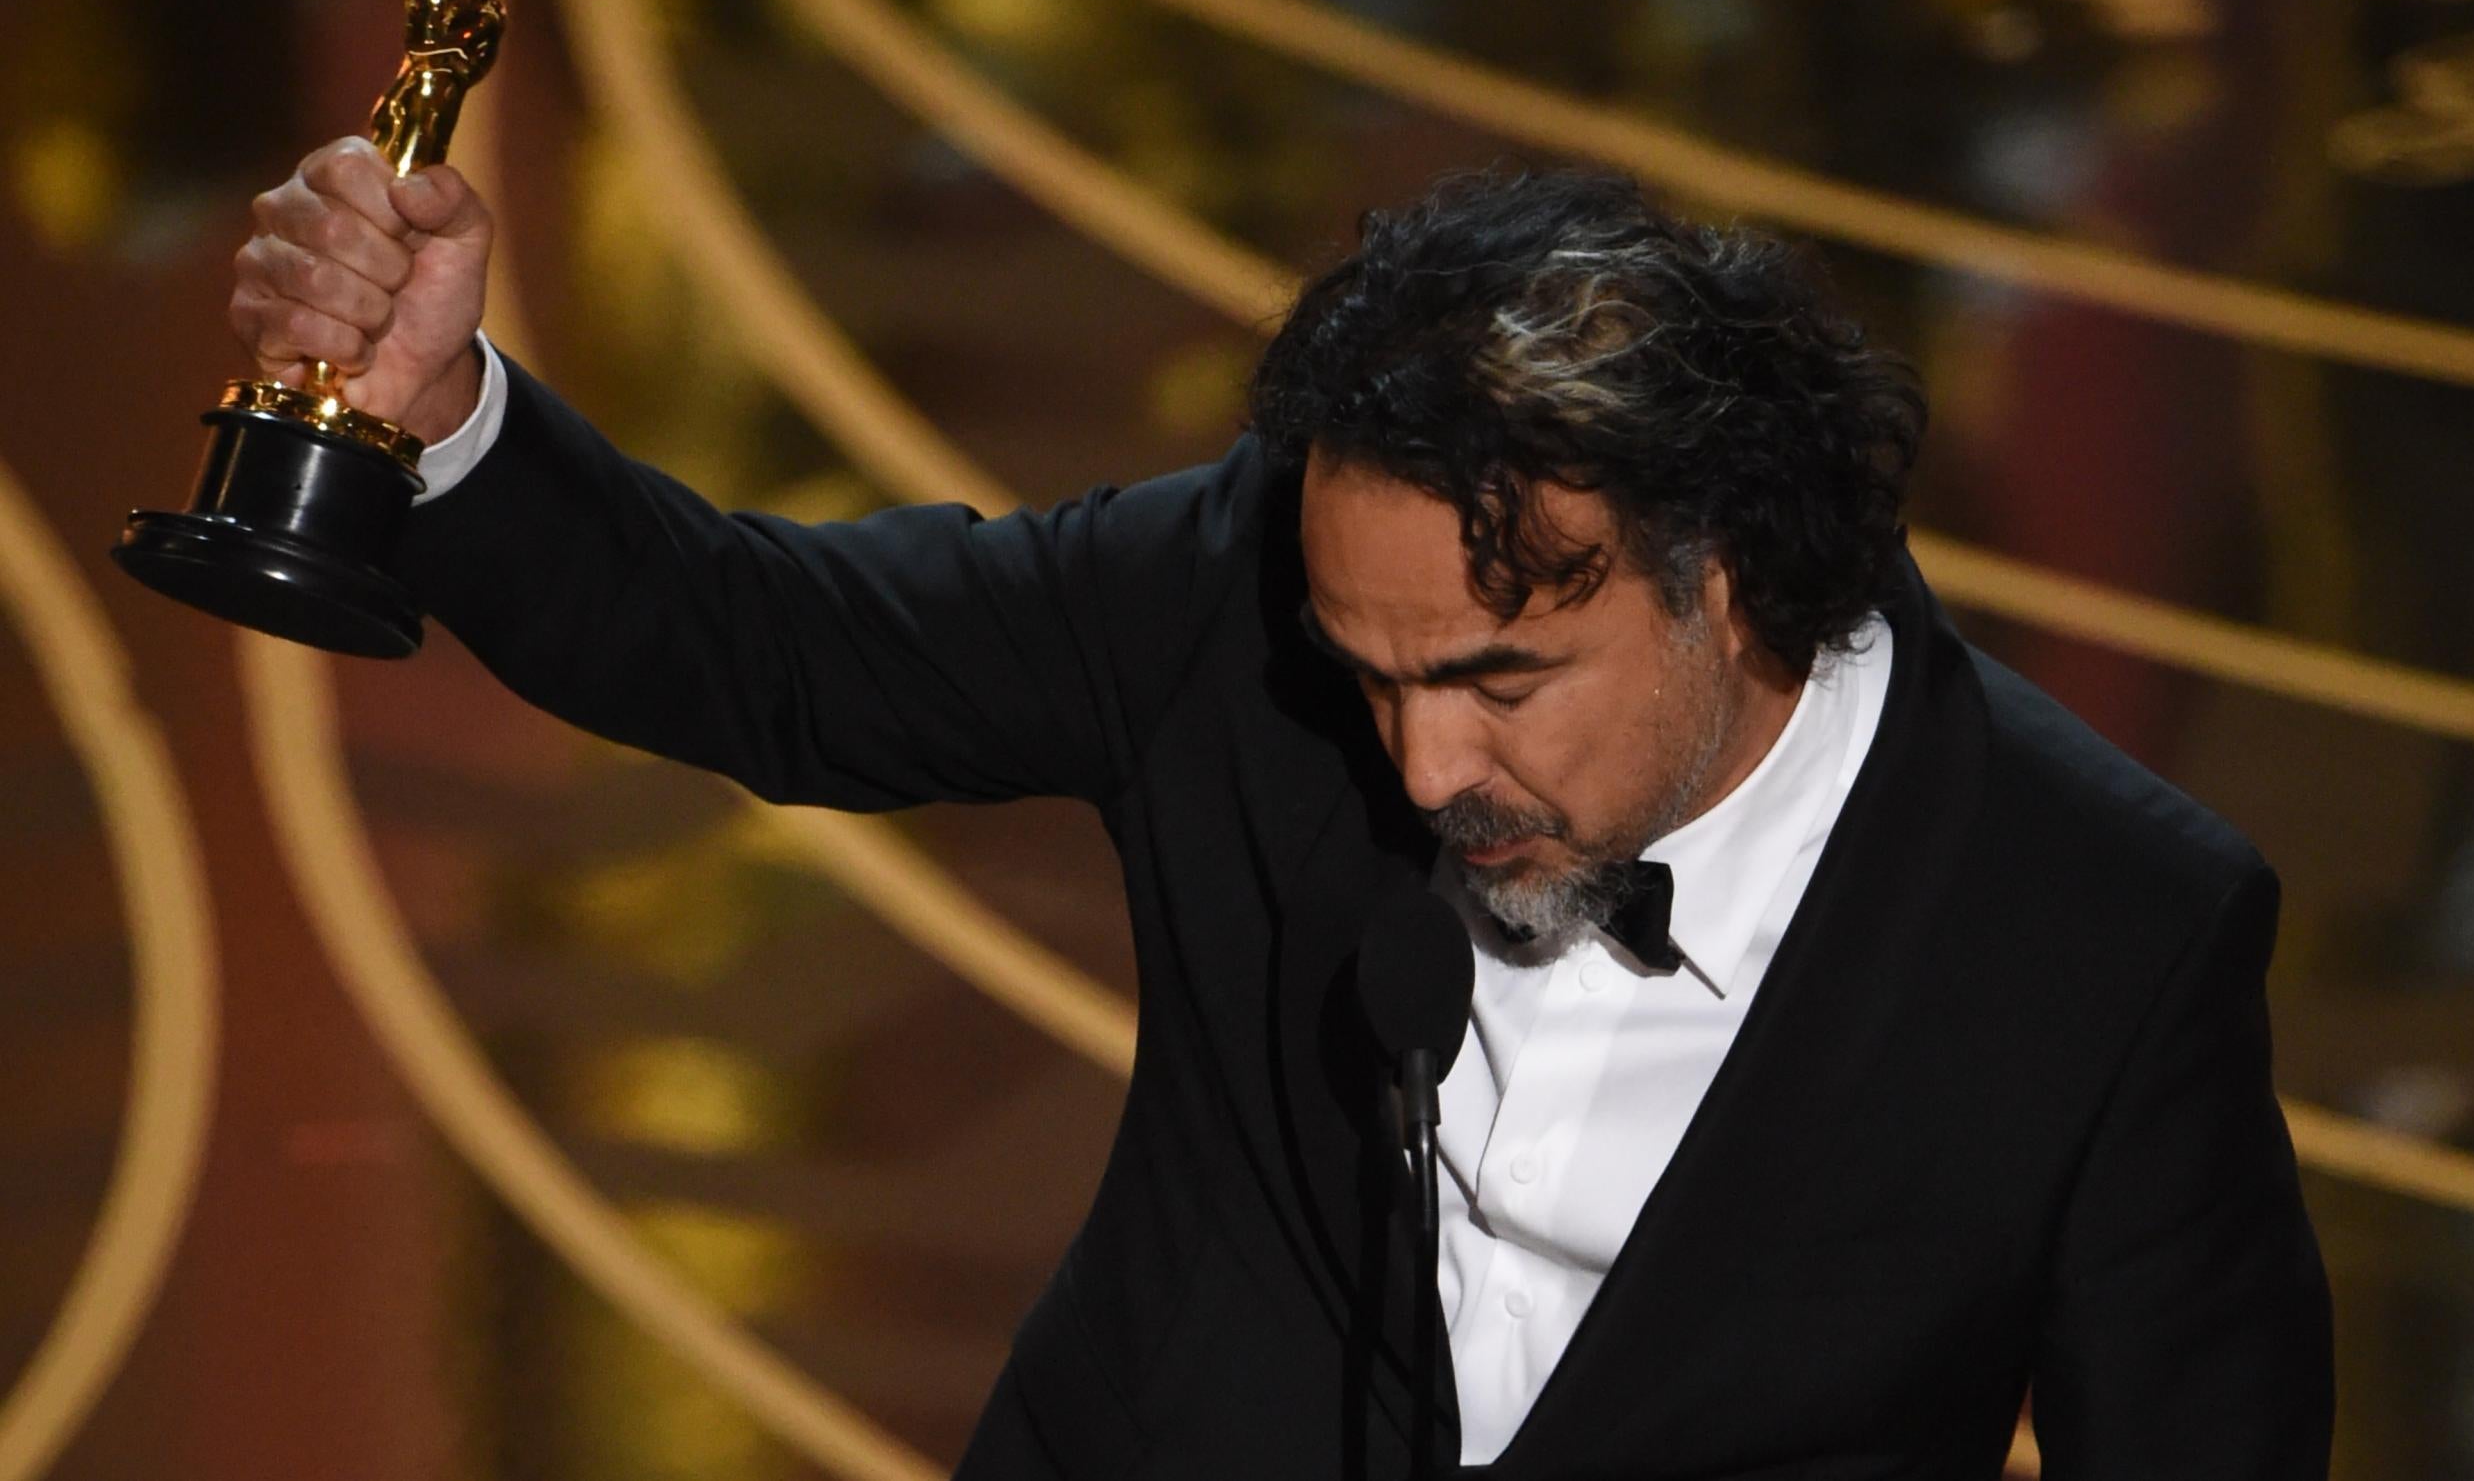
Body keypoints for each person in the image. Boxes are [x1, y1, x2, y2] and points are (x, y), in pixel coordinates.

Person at [231, 142, 2334, 1479]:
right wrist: (450, 421)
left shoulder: (2100, 936)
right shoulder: (1233, 589)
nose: (1421, 770)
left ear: (1732, 581)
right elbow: (771, 650)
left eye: (1498, 679)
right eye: (1371, 676)